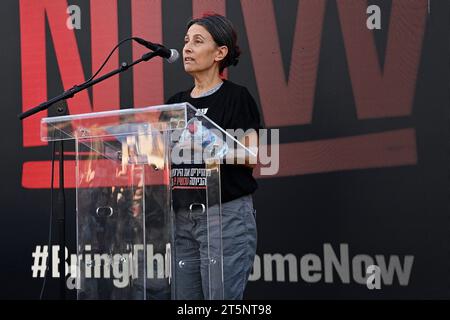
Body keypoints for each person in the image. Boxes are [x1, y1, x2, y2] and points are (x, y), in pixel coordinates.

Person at [165, 13, 262, 300]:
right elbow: (161, 152)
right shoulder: (175, 104)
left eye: (197, 41)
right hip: (181, 216)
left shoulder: (236, 97)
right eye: (185, 42)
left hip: (224, 215)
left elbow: (250, 155)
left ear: (220, 52)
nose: (187, 48)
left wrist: (206, 145)